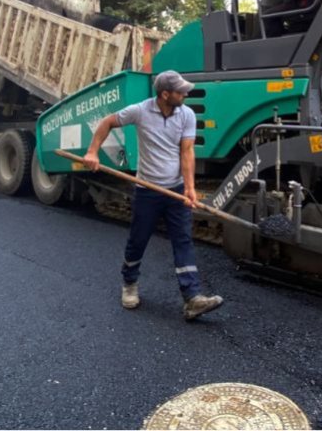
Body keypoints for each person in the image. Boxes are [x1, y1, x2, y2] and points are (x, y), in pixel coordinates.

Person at [83, 70, 225, 321]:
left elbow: (187, 152)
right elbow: (107, 122)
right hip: (147, 190)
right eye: (181, 91)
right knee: (139, 239)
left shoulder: (187, 114)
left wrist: (190, 188)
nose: (186, 94)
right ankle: (129, 284)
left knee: (183, 240)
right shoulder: (140, 111)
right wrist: (93, 152)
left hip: (176, 189)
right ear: (165, 94)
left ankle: (192, 297)